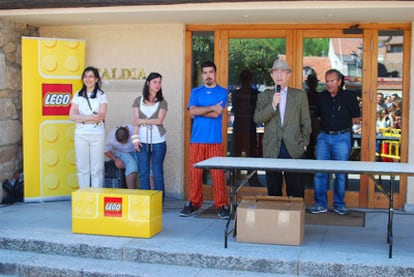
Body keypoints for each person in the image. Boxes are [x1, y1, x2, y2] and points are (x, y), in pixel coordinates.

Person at [254, 59, 311, 198]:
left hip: (294, 147)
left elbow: (306, 122)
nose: (279, 75)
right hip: (272, 147)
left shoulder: (299, 96)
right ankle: (276, 218)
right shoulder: (264, 96)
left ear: (288, 75)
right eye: (276, 72)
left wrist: (304, 144)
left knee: (296, 190)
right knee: (273, 190)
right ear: (272, 75)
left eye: (282, 71)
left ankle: (294, 218)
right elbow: (257, 119)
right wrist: (273, 105)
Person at [180, 61, 230, 219]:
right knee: (195, 173)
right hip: (196, 139)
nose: (208, 75)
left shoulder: (222, 92)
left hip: (215, 140)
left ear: (215, 74)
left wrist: (201, 110)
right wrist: (211, 107)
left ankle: (221, 204)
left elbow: (217, 114)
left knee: (217, 175)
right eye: (205, 72)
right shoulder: (196, 92)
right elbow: (192, 112)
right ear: (202, 75)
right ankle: (194, 203)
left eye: (211, 72)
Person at [309, 69, 361, 215]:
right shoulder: (322, 97)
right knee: (320, 172)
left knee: (340, 173)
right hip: (324, 137)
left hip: (342, 138)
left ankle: (339, 204)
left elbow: (356, 118)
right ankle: (320, 204)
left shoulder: (349, 96)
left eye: (332, 81)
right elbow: (317, 116)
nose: (329, 84)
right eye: (327, 81)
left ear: (339, 81)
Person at [69, 66, 108, 188]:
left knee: (97, 168)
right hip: (81, 134)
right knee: (82, 167)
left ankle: (96, 195)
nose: (88, 79)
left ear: (96, 79)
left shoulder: (101, 95)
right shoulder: (78, 95)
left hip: (97, 134)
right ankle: (84, 195)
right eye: (85, 76)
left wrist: (82, 118)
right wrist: (91, 118)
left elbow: (101, 116)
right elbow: (71, 115)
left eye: (91, 76)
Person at [132, 72, 168, 196]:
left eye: (159, 82)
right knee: (143, 172)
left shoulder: (162, 102)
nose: (157, 85)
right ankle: (145, 201)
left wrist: (143, 121)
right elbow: (135, 121)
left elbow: (159, 120)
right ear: (148, 83)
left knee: (157, 172)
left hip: (158, 140)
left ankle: (159, 202)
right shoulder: (138, 100)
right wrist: (135, 139)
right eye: (155, 82)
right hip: (142, 140)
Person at [231, 69, 262, 186]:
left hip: (241, 127)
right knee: (251, 154)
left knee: (237, 154)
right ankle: (253, 180)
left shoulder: (236, 94)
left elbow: (234, 109)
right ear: (250, 79)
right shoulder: (255, 94)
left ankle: (233, 181)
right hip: (248, 127)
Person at [104, 125, 139, 189]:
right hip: (120, 152)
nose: (123, 144)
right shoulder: (111, 136)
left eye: (125, 142)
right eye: (120, 143)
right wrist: (115, 159)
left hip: (136, 151)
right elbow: (106, 151)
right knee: (131, 164)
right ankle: (131, 192)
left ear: (129, 134)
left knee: (146, 165)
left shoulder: (134, 131)